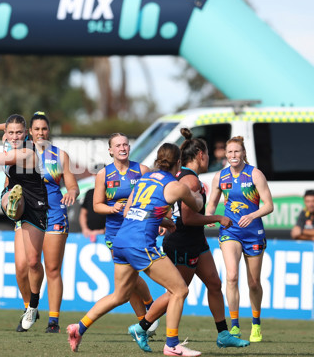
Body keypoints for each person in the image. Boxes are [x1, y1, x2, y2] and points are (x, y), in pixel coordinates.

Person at [67, 143, 204, 356]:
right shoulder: (176, 185)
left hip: (121, 240)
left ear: (159, 160)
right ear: (178, 163)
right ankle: (172, 344)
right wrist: (197, 192)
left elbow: (130, 210)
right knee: (179, 290)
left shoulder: (142, 180)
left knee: (120, 295)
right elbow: (196, 206)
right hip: (140, 243)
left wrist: (161, 220)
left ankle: (79, 327)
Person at [136, 128, 250, 349]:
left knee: (214, 284)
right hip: (183, 242)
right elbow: (187, 219)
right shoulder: (192, 181)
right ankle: (142, 327)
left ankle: (223, 334)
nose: (210, 158)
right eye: (207, 154)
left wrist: (167, 220)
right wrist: (217, 217)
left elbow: (171, 207)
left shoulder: (182, 177)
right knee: (176, 293)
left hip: (196, 241)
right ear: (200, 155)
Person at [0, 114, 47, 331]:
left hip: (35, 204)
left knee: (33, 262)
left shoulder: (27, 151)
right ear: (6, 133)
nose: (15, 137)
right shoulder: (8, 139)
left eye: (19, 133)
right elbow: (6, 129)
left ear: (26, 133)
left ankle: (33, 307)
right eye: (11, 132)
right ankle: (11, 204)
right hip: (17, 198)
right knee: (19, 268)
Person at [13, 112, 78, 333]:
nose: (41, 132)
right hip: (28, 214)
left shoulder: (59, 155)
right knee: (23, 267)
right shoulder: (20, 153)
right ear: (29, 132)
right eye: (36, 129)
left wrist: (72, 192)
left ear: (48, 131)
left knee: (52, 268)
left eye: (44, 129)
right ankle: (30, 307)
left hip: (53, 213)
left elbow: (72, 184)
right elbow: (8, 185)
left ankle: (53, 321)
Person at [206, 136, 273, 343]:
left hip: (253, 233)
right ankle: (234, 326)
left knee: (253, 282)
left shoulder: (255, 174)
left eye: (237, 152)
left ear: (243, 153)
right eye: (230, 152)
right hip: (230, 232)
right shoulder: (220, 176)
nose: (233, 155)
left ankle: (256, 323)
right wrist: (209, 217)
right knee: (232, 276)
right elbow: (212, 203)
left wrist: (252, 215)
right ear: (225, 155)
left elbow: (269, 205)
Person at [92, 133, 156, 331]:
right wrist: (112, 209)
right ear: (110, 150)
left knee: (132, 275)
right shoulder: (104, 175)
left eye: (126, 144)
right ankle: (144, 320)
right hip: (114, 233)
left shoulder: (142, 170)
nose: (122, 148)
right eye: (118, 145)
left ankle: (149, 305)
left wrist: (161, 221)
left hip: (138, 230)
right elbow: (96, 205)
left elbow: (155, 197)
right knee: (129, 278)